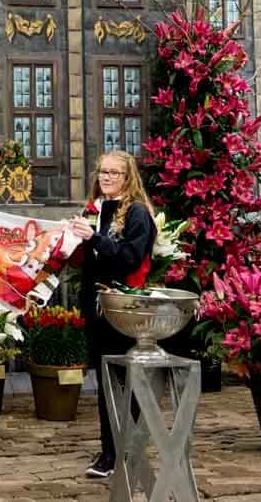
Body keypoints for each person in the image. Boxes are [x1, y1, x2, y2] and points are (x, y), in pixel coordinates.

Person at [68, 150, 156, 479]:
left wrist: (95, 239)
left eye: (114, 173)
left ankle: (122, 451)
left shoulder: (136, 213)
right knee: (105, 381)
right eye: (102, 172)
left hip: (124, 307)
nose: (106, 178)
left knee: (123, 380)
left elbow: (130, 259)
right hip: (96, 303)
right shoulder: (95, 210)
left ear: (128, 177)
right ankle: (111, 448)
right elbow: (87, 258)